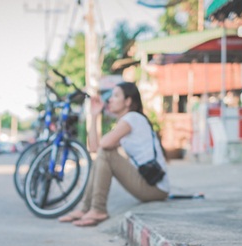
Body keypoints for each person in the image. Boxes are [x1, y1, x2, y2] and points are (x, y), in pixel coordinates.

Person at [58, 82, 170, 227]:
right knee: (103, 154)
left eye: (116, 96)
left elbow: (103, 146)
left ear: (128, 101)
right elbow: (93, 148)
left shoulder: (132, 118)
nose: (110, 100)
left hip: (155, 188)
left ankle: (97, 209)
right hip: (150, 184)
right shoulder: (127, 122)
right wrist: (94, 115)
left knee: (106, 153)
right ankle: (85, 208)